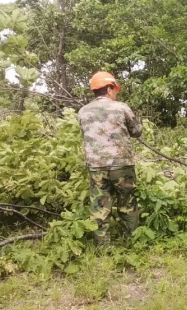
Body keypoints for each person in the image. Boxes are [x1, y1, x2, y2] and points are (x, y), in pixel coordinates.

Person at [78, 71, 143, 245]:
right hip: (121, 165)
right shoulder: (121, 108)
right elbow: (137, 131)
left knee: (99, 206)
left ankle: (102, 248)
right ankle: (132, 243)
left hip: (96, 166)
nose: (116, 93)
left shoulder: (83, 112)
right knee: (127, 203)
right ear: (108, 88)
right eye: (115, 89)